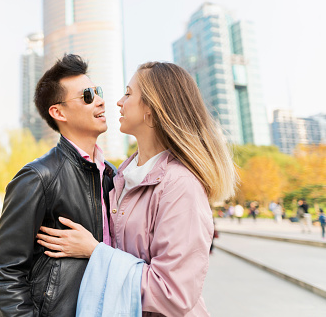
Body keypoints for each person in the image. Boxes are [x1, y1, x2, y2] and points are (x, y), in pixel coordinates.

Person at [37, 61, 237, 316]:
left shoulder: (180, 185)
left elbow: (173, 294)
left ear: (152, 109)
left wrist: (95, 252)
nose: (118, 102)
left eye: (129, 93)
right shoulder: (119, 176)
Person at [0, 54, 116, 317]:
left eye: (98, 92)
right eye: (87, 96)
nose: (101, 100)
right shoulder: (37, 177)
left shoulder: (112, 175)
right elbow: (5, 269)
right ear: (58, 112)